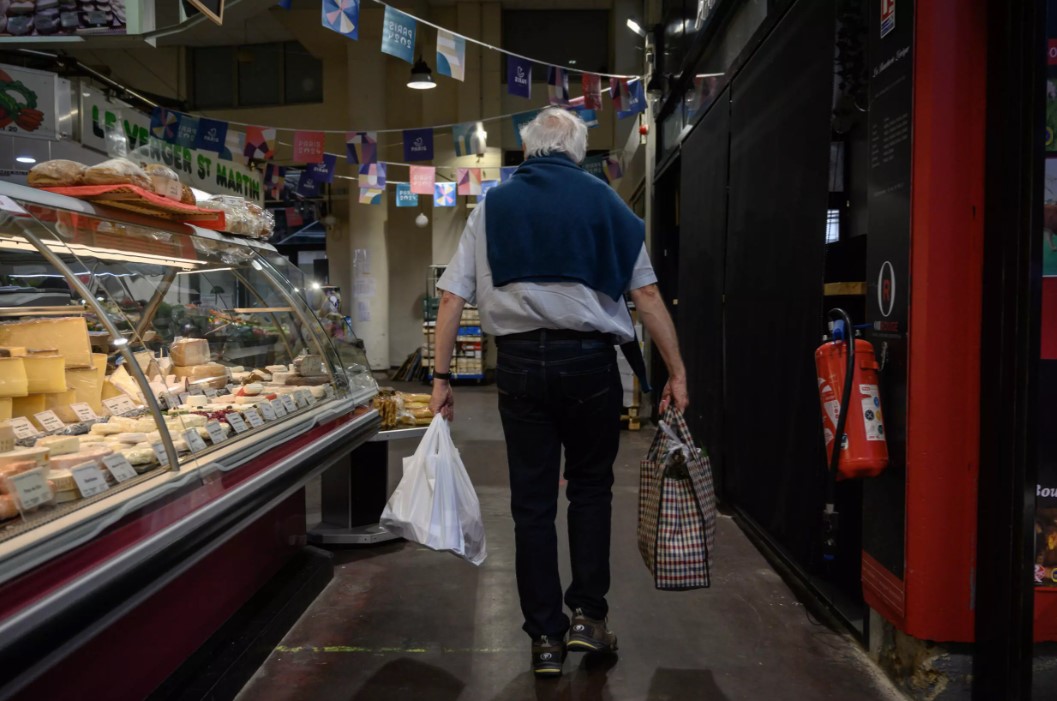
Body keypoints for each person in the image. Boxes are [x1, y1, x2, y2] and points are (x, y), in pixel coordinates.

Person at [429, 107, 688, 677]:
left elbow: (452, 299)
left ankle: (544, 638)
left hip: (519, 365)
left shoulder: (492, 206)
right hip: (589, 365)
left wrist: (441, 378)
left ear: (528, 149)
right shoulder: (606, 204)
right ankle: (588, 621)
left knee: (531, 503)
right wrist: (675, 371)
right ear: (578, 150)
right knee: (592, 490)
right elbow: (645, 297)